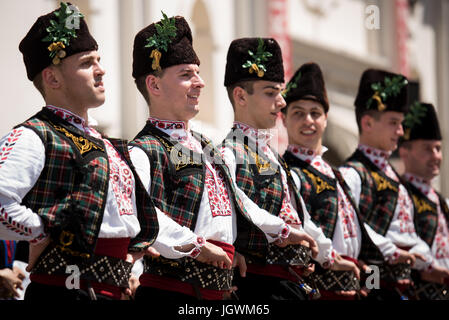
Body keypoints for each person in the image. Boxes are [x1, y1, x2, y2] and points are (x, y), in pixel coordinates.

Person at [0, 2, 159, 300]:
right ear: (53, 78)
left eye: (98, 59)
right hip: (67, 292)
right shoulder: (34, 135)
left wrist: (129, 263)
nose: (101, 70)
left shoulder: (107, 144)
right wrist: (42, 230)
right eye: (87, 63)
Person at [128, 13, 277, 301]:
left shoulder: (206, 145)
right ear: (154, 85)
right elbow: (142, 213)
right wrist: (197, 245)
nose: (200, 82)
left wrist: (271, 234)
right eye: (186, 75)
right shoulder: (144, 149)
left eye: (198, 72)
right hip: (172, 293)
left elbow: (236, 201)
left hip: (221, 292)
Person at [220, 37, 359, 301]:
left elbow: (300, 217)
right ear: (240, 96)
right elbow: (243, 211)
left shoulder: (272, 156)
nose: (282, 102)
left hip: (287, 286)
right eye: (271, 93)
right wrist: (286, 233)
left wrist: (328, 256)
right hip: (255, 290)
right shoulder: (227, 154)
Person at [339, 69, 448, 299]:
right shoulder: (353, 174)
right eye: (394, 122)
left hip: (402, 288)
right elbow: (358, 238)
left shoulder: (393, 177)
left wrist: (424, 259)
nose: (400, 131)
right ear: (367, 122)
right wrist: (372, 290)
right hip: (376, 284)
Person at [281, 62, 386, 299]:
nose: (308, 120)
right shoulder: (286, 172)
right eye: (298, 113)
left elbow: (368, 248)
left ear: (325, 119)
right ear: (284, 118)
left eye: (315, 113)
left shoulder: (338, 175)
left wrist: (373, 286)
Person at [398, 102, 449, 299]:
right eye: (427, 149)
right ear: (405, 152)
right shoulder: (399, 194)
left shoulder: (441, 201)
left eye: (438, 148)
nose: (436, 156)